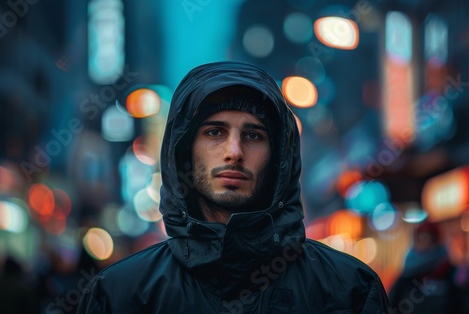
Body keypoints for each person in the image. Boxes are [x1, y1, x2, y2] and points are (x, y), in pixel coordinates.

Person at [77, 61, 391, 313]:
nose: (235, 152)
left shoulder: (349, 290)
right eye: (215, 132)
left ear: (278, 156)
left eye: (254, 135)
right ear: (185, 150)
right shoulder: (120, 295)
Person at [388, 220, 463, 313]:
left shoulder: (447, 271)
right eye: (421, 238)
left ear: (436, 241)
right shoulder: (408, 272)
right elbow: (393, 304)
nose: (425, 243)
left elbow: (460, 303)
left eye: (428, 238)